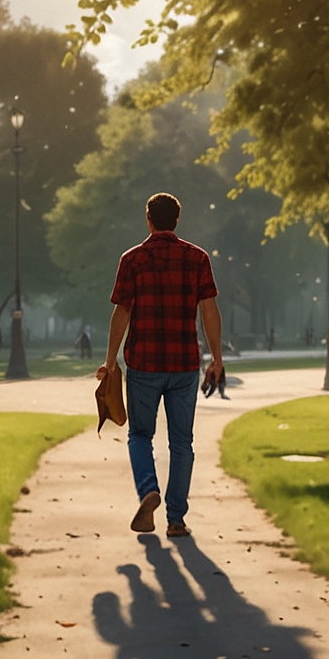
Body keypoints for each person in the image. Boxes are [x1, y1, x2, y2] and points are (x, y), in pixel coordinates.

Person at [99, 192, 222, 539]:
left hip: (145, 363)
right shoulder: (197, 258)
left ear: (148, 219)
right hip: (184, 364)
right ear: (177, 220)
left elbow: (121, 311)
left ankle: (148, 489)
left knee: (140, 435)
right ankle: (176, 519)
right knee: (182, 442)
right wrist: (217, 358)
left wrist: (109, 362)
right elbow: (209, 310)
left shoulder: (132, 260)